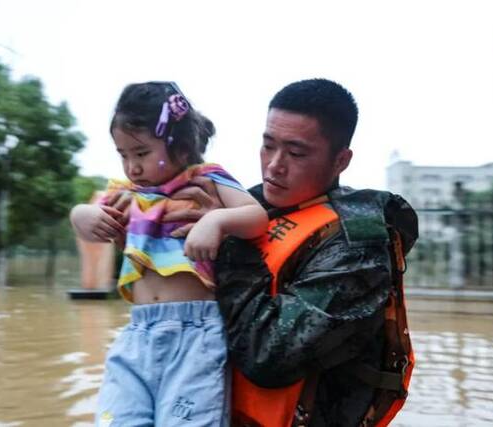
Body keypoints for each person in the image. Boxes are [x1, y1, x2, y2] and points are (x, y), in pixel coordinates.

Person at [164, 78, 419, 426]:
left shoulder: (359, 244)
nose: (274, 165)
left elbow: (269, 355)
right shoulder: (244, 204)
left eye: (296, 153)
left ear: (340, 160)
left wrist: (229, 237)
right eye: (268, 146)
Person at [70, 81, 268, 427]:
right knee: (117, 420)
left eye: (141, 153)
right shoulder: (127, 194)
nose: (131, 166)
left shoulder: (208, 180)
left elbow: (256, 217)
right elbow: (85, 218)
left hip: (196, 332)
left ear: (179, 146)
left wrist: (217, 221)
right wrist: (81, 216)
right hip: (138, 330)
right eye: (123, 155)